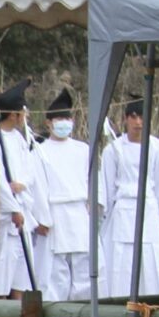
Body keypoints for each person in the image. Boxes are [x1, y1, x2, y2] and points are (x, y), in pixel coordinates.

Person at [97, 98, 159, 299]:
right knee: (121, 261)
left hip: (149, 211)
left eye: (142, 117)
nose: (138, 122)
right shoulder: (113, 149)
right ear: (126, 119)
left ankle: (153, 305)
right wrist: (104, 221)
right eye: (133, 117)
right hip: (122, 212)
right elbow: (106, 189)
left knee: (150, 261)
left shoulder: (157, 148)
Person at [31, 89, 95, 302]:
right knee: (55, 270)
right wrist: (43, 218)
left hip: (79, 213)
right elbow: (38, 187)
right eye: (59, 119)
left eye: (67, 119)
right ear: (48, 123)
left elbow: (93, 183)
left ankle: (84, 307)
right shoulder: (40, 151)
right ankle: (55, 308)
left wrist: (93, 211)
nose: (64, 123)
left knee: (83, 265)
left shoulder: (83, 149)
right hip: (55, 213)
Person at [0, 82, 48, 296]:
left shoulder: (20, 138)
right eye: (23, 112)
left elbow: (29, 172)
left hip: (23, 205)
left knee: (22, 273)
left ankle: (18, 304)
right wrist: (12, 207)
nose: (25, 116)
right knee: (2, 269)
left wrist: (22, 183)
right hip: (7, 212)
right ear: (14, 115)